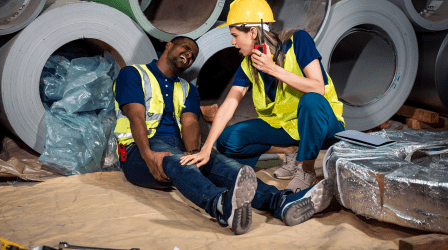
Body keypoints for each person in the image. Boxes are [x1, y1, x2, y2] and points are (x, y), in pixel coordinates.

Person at [114, 36, 332, 235]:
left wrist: (196, 155)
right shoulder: (134, 74)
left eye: (193, 55)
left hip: (176, 148)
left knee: (218, 162)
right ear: (168, 45)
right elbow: (137, 117)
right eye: (185, 47)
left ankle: (282, 203)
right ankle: (221, 205)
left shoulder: (187, 89)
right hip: (138, 152)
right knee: (177, 160)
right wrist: (149, 155)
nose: (189, 54)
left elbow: (190, 123)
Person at [180, 0, 345, 192]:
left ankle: (305, 168)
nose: (233, 43)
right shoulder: (247, 65)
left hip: (325, 126)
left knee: (311, 100)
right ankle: (290, 151)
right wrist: (206, 149)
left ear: (252, 32)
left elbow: (318, 88)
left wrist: (272, 69)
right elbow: (229, 105)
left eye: (234, 35)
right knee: (227, 139)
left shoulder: (298, 40)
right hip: (288, 129)